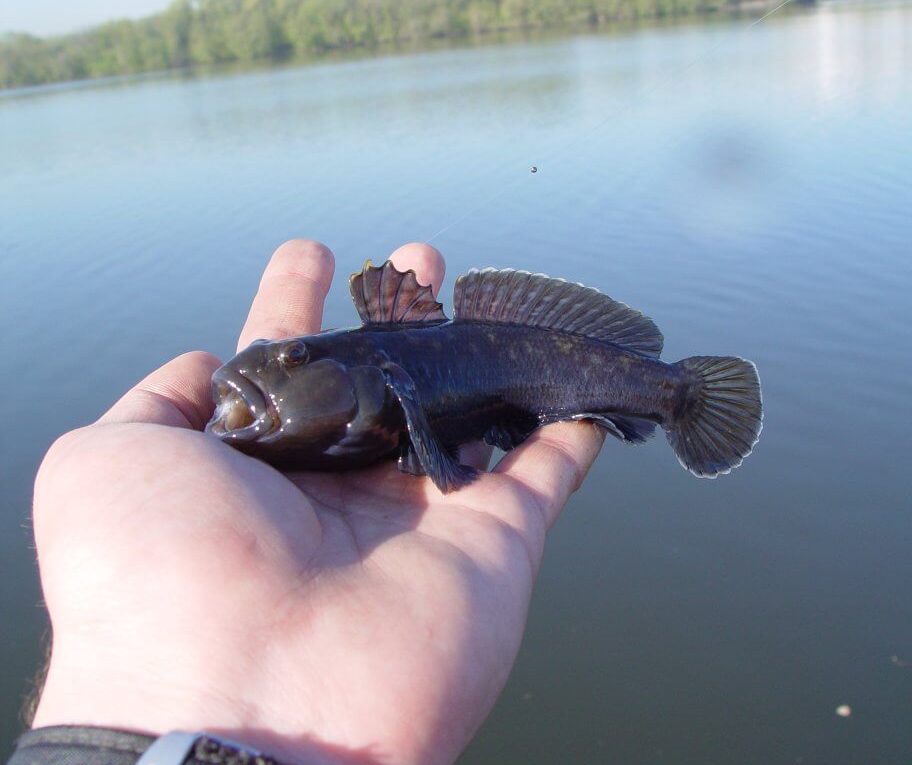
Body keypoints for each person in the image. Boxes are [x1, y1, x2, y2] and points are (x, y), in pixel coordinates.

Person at [14, 240, 605, 765]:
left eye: (293, 358)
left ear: (377, 375)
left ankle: (666, 393)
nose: (260, 372)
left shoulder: (387, 367)